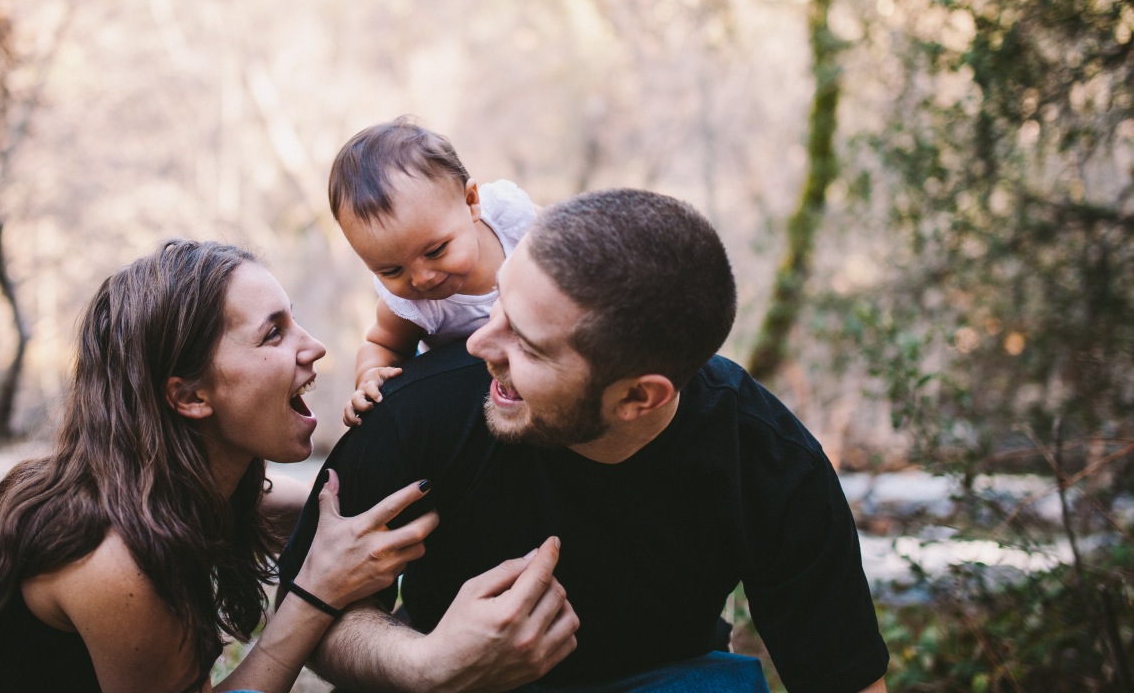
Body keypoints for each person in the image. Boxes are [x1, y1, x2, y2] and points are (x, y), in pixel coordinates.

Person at [280, 189, 891, 693]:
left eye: (528, 344)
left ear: (637, 398)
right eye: (498, 308)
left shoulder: (768, 459)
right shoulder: (412, 411)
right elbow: (310, 615)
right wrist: (426, 663)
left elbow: (845, 680)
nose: (478, 345)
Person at [0, 240, 439, 693]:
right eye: (274, 334)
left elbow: (302, 506)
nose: (313, 348)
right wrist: (316, 593)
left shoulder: (152, 487)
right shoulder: (112, 559)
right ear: (189, 397)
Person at [329, 117, 536, 426]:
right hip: (476, 393)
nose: (421, 278)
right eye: (392, 270)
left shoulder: (509, 219)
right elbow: (381, 345)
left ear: (471, 203)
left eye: (436, 251)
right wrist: (370, 376)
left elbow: (566, 242)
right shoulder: (411, 306)